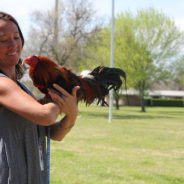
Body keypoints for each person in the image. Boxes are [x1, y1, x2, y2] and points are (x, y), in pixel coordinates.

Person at [0, 11, 79, 184]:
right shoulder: (1, 84)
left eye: (16, 37)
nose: (13, 44)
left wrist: (71, 114)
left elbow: (52, 132)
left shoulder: (21, 88)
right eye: (3, 40)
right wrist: (61, 96)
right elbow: (46, 116)